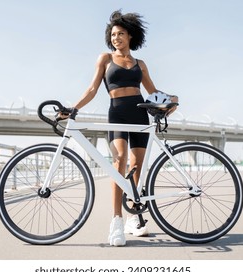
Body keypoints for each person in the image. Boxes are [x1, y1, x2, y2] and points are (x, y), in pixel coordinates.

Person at [67, 10, 178, 246]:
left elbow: (153, 92)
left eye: (121, 34)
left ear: (130, 36)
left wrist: (172, 98)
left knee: (137, 167)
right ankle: (116, 221)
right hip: (117, 113)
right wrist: (73, 108)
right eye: (113, 34)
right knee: (119, 163)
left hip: (139, 114)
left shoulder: (140, 64)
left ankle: (134, 217)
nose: (116, 38)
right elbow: (92, 89)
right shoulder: (105, 59)